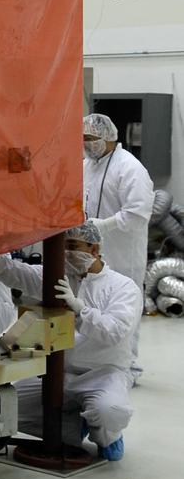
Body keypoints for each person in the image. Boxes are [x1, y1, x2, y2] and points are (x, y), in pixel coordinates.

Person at [0, 220, 141, 461]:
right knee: (10, 412)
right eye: (61, 247)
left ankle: (107, 436)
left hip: (101, 374)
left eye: (72, 246)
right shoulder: (56, 277)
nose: (65, 253)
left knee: (109, 411)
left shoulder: (123, 287)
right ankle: (73, 428)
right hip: (57, 372)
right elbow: (10, 271)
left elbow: (114, 331)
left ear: (95, 250)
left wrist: (79, 310)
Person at [83, 112, 153, 381]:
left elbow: (137, 214)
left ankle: (128, 366)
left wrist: (103, 226)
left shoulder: (130, 168)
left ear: (109, 137)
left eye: (92, 138)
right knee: (94, 306)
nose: (87, 144)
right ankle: (96, 362)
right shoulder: (87, 166)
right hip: (92, 253)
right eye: (84, 139)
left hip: (123, 254)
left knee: (124, 308)